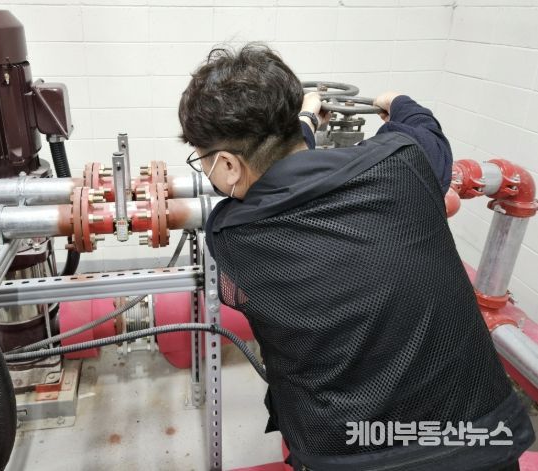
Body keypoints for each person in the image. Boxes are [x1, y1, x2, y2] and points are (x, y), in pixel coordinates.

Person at [178, 43, 534, 471]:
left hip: (347, 453)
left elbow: (278, 186)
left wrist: (306, 122)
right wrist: (396, 101)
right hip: (479, 440)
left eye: (203, 160)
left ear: (228, 165)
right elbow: (425, 131)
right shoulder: (405, 162)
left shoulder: (232, 235)